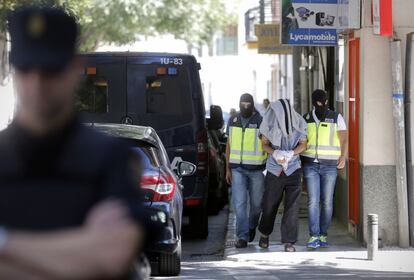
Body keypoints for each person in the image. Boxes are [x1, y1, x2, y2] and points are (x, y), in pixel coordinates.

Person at [0, 6, 161, 279]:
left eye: (50, 70)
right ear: (12, 72)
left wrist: (4, 244)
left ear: (75, 71)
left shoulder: (111, 157)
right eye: (27, 69)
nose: (37, 82)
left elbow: (111, 255)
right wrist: (81, 251)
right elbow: (96, 259)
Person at [257, 99, 307, 252]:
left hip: (293, 169)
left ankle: (289, 241)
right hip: (274, 170)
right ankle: (265, 234)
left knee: (292, 207)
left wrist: (291, 153)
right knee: (270, 205)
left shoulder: (299, 121)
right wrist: (275, 152)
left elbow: (303, 144)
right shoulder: (268, 122)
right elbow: (264, 144)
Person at [301, 89, 348, 249]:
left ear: (327, 101)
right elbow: (302, 141)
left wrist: (343, 157)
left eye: (323, 102)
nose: (321, 105)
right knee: (313, 201)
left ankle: (323, 233)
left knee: (327, 202)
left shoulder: (336, 118)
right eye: (318, 103)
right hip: (310, 165)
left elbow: (344, 138)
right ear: (313, 103)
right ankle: (314, 235)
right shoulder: (306, 118)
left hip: (329, 166)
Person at [225, 93, 267, 248]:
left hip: (257, 170)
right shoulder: (233, 120)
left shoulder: (260, 121)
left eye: (248, 104)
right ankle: (242, 237)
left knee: (256, 205)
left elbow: (266, 143)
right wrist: (228, 168)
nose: (245, 107)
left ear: (252, 105)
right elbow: (228, 145)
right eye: (243, 104)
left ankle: (251, 226)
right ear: (239, 104)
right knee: (239, 204)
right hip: (237, 169)